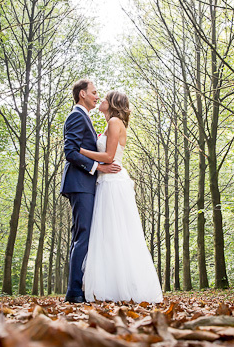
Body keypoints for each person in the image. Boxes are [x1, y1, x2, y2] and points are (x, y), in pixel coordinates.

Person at [79, 90, 163, 303]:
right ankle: (111, 286)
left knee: (118, 232)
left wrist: (81, 151)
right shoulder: (110, 123)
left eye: (105, 98)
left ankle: (126, 287)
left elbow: (108, 156)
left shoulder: (115, 122)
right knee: (107, 233)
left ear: (113, 103)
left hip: (114, 182)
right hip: (105, 181)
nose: (101, 100)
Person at [60, 79, 121, 303]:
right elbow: (71, 152)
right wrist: (98, 167)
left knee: (83, 234)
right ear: (83, 94)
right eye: (94, 93)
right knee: (82, 235)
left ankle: (80, 288)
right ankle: (74, 292)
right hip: (79, 183)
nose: (97, 96)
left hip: (85, 183)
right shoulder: (76, 115)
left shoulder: (84, 116)